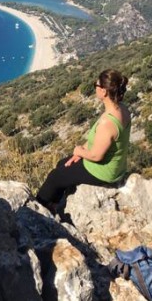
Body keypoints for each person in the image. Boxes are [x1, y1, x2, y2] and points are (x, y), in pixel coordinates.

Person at [35, 69, 131, 213]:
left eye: (96, 85)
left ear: (104, 91)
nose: (95, 88)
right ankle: (55, 204)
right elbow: (100, 142)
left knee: (54, 177)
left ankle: (37, 209)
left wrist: (78, 151)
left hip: (104, 171)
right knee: (63, 163)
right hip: (114, 165)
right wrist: (78, 155)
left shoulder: (108, 122)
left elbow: (96, 156)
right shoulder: (122, 109)